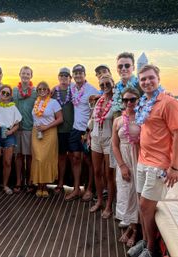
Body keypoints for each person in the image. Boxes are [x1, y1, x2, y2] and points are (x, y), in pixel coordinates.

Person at [128, 65, 178, 257]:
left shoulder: (168, 102)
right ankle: (146, 241)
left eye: (151, 78)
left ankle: (151, 249)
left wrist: (174, 167)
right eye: (143, 79)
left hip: (159, 165)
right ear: (139, 83)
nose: (147, 82)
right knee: (144, 206)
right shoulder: (143, 101)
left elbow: (177, 134)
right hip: (143, 160)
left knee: (145, 206)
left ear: (158, 78)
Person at [65, 64, 99, 201]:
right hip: (75, 129)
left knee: (89, 160)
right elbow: (59, 89)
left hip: (87, 130)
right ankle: (76, 189)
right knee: (75, 158)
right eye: (76, 73)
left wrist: (89, 131)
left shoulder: (92, 90)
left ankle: (89, 189)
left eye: (80, 73)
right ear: (73, 75)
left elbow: (98, 106)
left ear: (85, 74)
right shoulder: (72, 89)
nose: (78, 75)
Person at [112, 87, 141, 247]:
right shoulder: (117, 120)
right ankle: (131, 225)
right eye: (125, 100)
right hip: (124, 159)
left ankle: (135, 229)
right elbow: (114, 145)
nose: (129, 103)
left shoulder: (143, 118)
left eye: (132, 99)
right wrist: (122, 166)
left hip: (139, 159)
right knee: (126, 193)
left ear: (138, 100)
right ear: (122, 102)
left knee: (137, 194)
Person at [89, 74, 115, 219]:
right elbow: (92, 119)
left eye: (107, 84)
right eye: (102, 85)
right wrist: (88, 134)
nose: (105, 87)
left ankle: (109, 205)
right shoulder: (98, 100)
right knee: (97, 171)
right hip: (95, 138)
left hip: (109, 140)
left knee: (109, 174)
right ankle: (99, 200)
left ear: (113, 84)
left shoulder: (117, 101)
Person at [0, 85, 22, 200]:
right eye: (3, 92)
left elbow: (17, 123)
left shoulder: (12, 107)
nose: (5, 95)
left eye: (8, 94)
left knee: (7, 162)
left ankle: (5, 185)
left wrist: (10, 132)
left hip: (8, 134)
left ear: (10, 96)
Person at [31, 81, 63, 197]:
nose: (42, 91)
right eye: (39, 89)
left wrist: (46, 127)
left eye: (44, 89)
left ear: (48, 91)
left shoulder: (54, 103)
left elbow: (60, 119)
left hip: (49, 132)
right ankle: (39, 185)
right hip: (36, 133)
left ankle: (44, 186)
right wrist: (40, 128)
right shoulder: (36, 102)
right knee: (38, 158)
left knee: (45, 159)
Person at [12, 66, 37, 193]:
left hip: (29, 127)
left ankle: (30, 181)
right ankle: (19, 181)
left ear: (31, 76)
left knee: (30, 156)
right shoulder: (14, 90)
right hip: (17, 128)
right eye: (23, 73)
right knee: (18, 156)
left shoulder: (35, 91)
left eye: (28, 74)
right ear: (20, 74)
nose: (25, 75)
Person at [51, 67, 74, 194]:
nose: (64, 79)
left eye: (66, 76)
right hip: (58, 130)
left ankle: (75, 185)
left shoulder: (75, 91)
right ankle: (60, 183)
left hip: (73, 129)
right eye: (61, 76)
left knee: (74, 157)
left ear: (70, 78)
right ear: (58, 78)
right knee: (61, 158)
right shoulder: (53, 92)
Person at [112, 52, 142, 118]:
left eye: (127, 65)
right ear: (117, 69)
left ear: (133, 68)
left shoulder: (141, 85)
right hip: (119, 124)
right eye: (120, 66)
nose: (123, 68)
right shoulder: (116, 87)